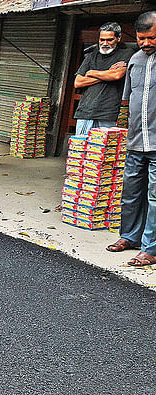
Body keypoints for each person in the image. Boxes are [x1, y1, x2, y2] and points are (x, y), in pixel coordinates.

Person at [106, 11, 156, 266]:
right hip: (136, 140)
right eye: (142, 38)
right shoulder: (135, 60)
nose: (146, 43)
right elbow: (128, 101)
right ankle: (129, 236)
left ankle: (151, 247)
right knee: (131, 192)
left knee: (155, 196)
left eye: (152, 38)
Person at [74, 22, 136, 134]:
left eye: (109, 40)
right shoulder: (92, 56)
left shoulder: (126, 54)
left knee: (104, 150)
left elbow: (116, 75)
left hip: (107, 113)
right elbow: (78, 82)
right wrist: (107, 74)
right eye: (102, 40)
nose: (105, 43)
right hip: (85, 111)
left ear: (118, 38)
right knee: (80, 149)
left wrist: (91, 72)